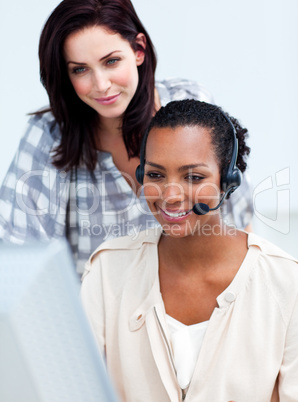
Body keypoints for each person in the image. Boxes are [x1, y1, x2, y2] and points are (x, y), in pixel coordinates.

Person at [0, 0, 253, 274]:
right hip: (95, 312)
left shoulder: (189, 104)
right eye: (80, 69)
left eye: (111, 61)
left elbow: (237, 221)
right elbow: (20, 256)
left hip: (191, 306)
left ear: (139, 50)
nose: (101, 85)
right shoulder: (48, 135)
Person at [81, 100, 298, 402]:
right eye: (156, 175)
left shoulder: (289, 284)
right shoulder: (107, 270)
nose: (170, 196)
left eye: (194, 177)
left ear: (228, 181)